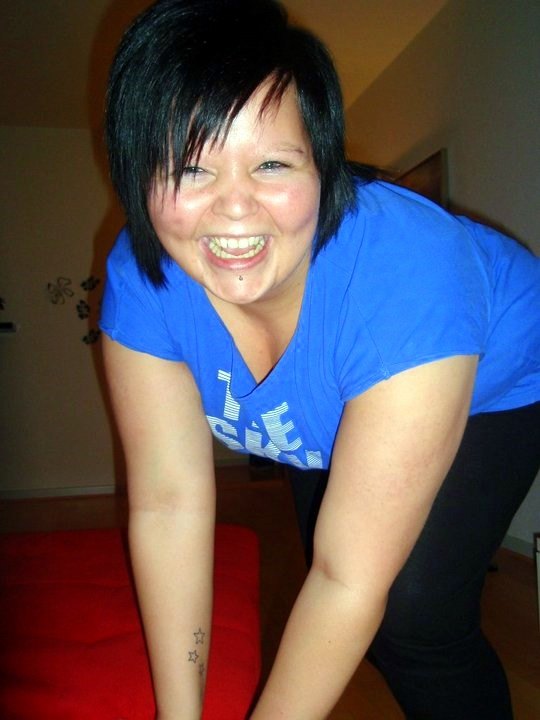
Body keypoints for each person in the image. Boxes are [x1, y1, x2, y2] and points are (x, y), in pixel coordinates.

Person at [100, 0, 540, 718]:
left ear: (324, 166)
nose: (234, 208)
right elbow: (168, 505)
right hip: (344, 391)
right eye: (191, 168)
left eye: (272, 163)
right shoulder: (142, 277)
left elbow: (348, 579)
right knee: (337, 591)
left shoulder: (409, 272)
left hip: (499, 381)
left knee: (412, 614)